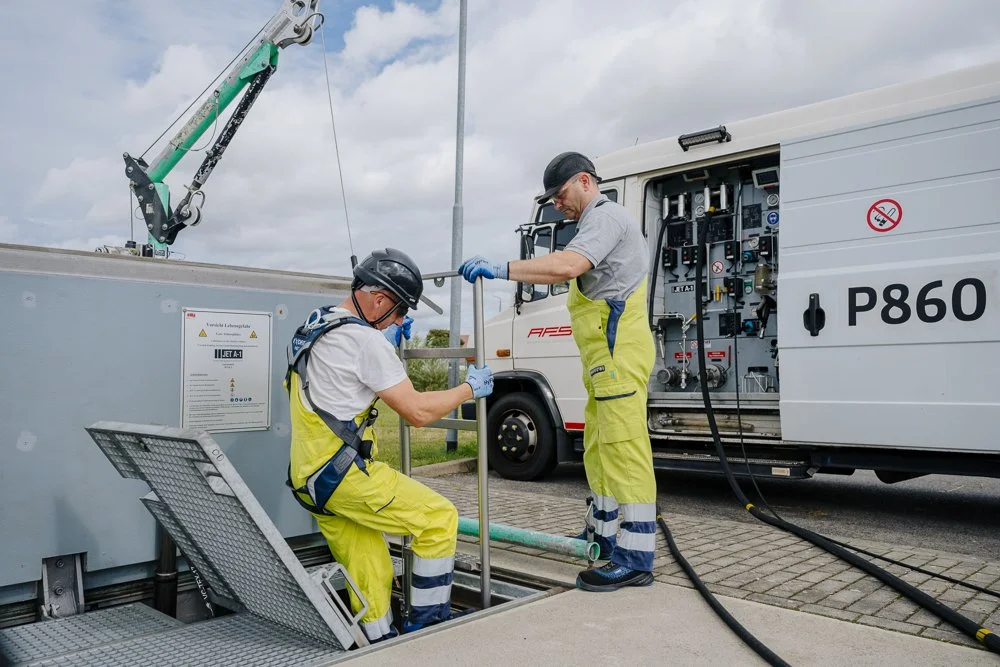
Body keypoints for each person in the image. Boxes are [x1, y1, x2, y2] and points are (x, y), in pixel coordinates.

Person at [458, 151, 657, 593]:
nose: (556, 204)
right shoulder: (592, 224)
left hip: (619, 358)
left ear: (585, 181)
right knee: (600, 451)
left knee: (624, 450)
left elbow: (567, 266)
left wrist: (502, 269)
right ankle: (604, 535)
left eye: (560, 194)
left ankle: (635, 558)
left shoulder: (606, 217)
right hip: (603, 362)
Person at [284, 247, 493, 644]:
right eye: (399, 312)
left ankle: (379, 642)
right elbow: (417, 411)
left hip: (308, 478)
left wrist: (383, 338)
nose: (399, 321)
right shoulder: (365, 341)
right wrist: (469, 388)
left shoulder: (315, 324)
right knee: (438, 519)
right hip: (344, 475)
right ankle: (427, 627)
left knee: (369, 565)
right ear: (379, 300)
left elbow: (339, 383)